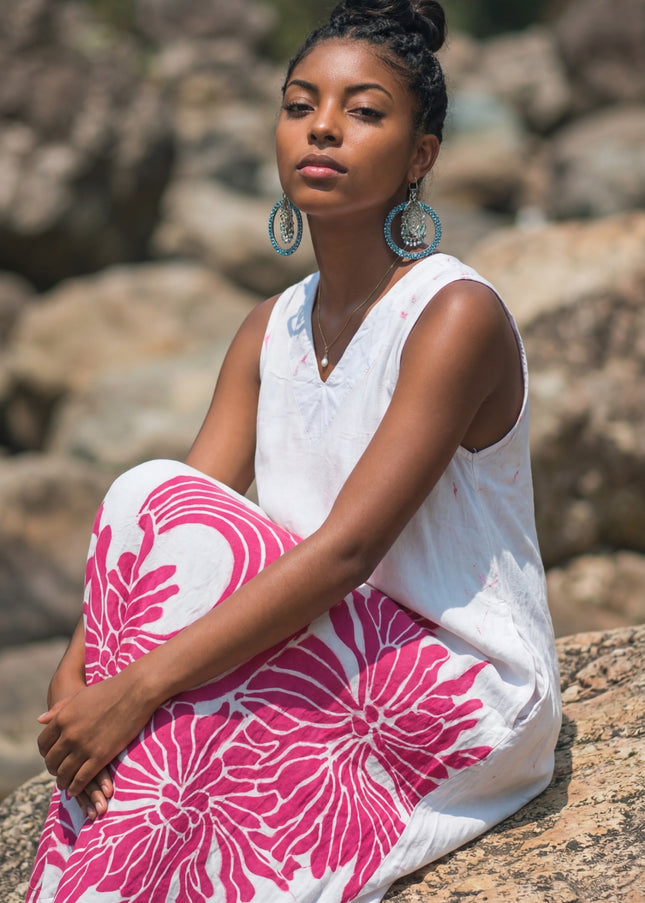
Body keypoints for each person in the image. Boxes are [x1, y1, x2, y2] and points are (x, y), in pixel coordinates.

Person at [27, 1, 561, 901]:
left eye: (364, 110)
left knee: (165, 721)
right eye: (299, 103)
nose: (322, 126)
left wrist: (137, 688)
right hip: (320, 639)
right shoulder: (267, 328)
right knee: (149, 496)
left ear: (419, 156)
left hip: (453, 675)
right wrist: (81, 662)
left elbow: (350, 550)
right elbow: (175, 511)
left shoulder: (452, 314)